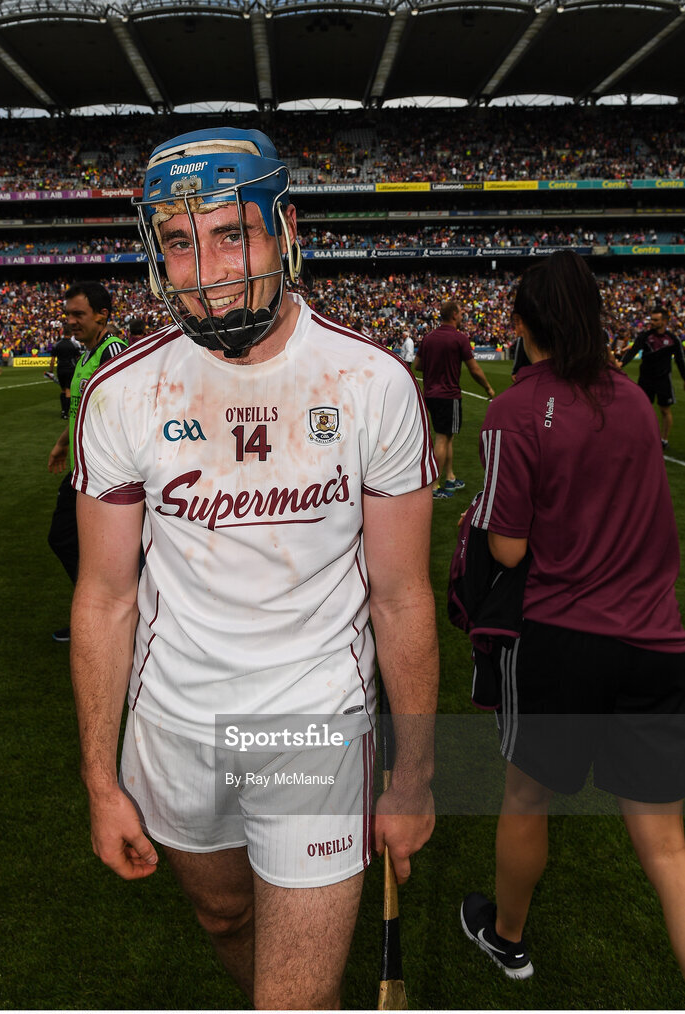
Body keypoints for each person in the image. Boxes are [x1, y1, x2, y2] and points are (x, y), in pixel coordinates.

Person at [69, 127, 440, 1009]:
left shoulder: (370, 383)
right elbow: (105, 598)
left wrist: (416, 775)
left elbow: (400, 595)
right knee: (225, 921)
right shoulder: (120, 393)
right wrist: (97, 778)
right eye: (178, 242)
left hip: (313, 722)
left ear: (284, 229)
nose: (206, 268)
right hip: (172, 725)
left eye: (231, 233)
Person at [460, 251, 685, 982]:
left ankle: (508, 936)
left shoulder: (514, 408)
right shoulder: (629, 397)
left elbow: (507, 544)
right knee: (666, 844)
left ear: (519, 322)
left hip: (561, 634)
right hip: (655, 636)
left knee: (526, 797)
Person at [46, 284, 128, 642]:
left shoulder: (113, 352)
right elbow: (82, 410)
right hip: (83, 469)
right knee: (74, 542)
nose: (70, 321)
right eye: (68, 314)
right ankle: (97, 611)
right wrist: (62, 443)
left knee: (69, 539)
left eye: (78, 314)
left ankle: (103, 612)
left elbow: (126, 412)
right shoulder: (85, 355)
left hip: (102, 474)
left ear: (102, 315)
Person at [413, 301, 494, 500]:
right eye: (461, 313)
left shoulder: (429, 337)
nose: (462, 316)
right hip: (448, 396)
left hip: (431, 395)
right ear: (455, 315)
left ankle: (450, 477)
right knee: (443, 437)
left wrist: (435, 367)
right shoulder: (459, 338)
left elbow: (417, 365)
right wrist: (488, 387)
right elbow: (474, 369)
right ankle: (433, 486)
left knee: (447, 436)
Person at [619, 305, 685, 450]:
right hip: (645, 380)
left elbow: (681, 361)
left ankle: (664, 439)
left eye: (656, 320)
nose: (652, 322)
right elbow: (633, 351)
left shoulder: (673, 339)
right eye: (652, 319)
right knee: (643, 410)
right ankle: (642, 436)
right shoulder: (645, 336)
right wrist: (621, 363)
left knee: (665, 410)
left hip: (663, 380)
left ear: (664, 321)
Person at [48, 330, 83, 419]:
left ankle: (63, 410)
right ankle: (65, 412)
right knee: (68, 390)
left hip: (60, 369)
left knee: (63, 390)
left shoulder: (57, 344)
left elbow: (52, 359)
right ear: (71, 333)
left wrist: (51, 371)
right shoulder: (74, 345)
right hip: (70, 369)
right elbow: (79, 358)